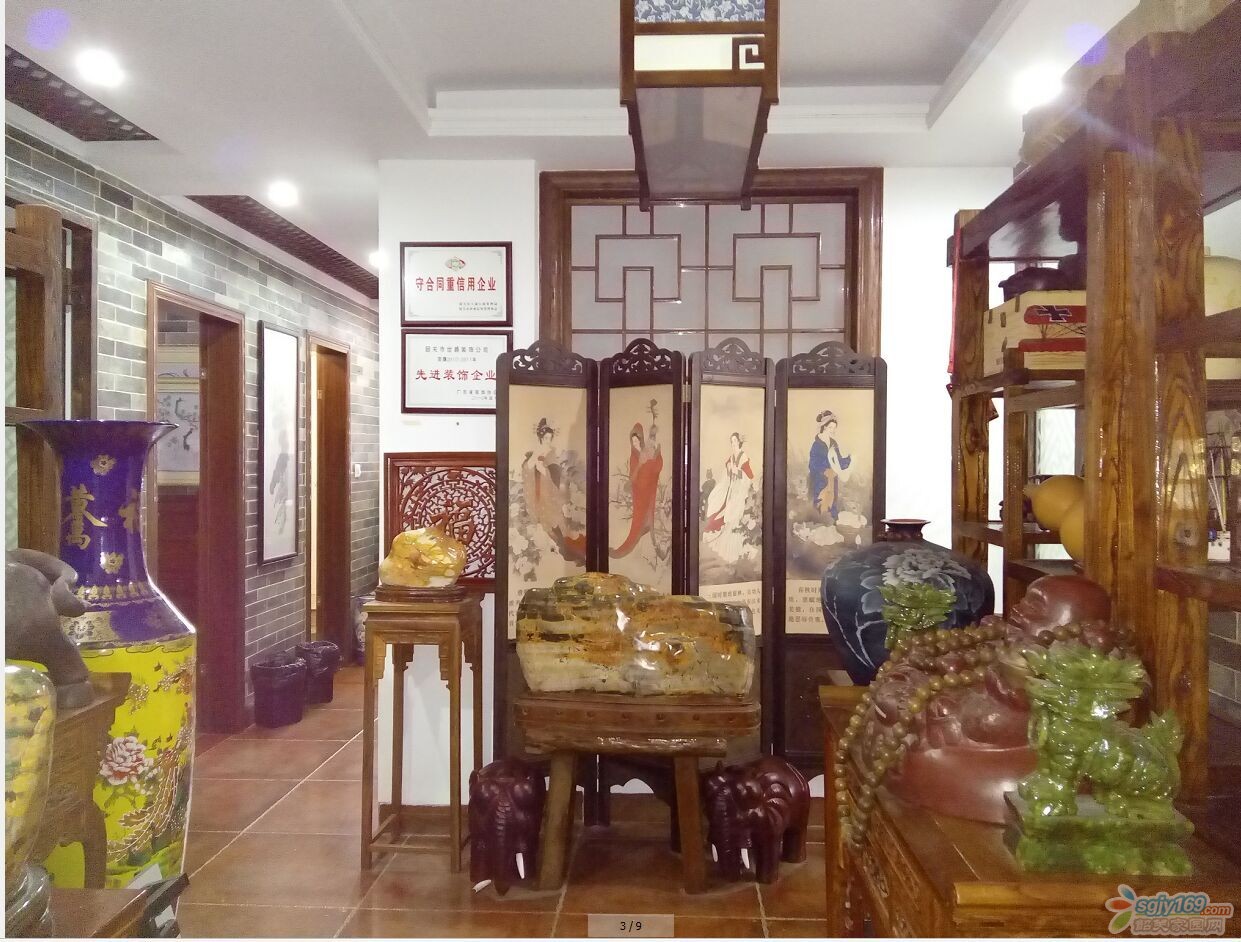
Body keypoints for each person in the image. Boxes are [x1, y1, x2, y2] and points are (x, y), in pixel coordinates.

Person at [521, 418, 586, 562]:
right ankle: (563, 548)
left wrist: (544, 470)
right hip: (538, 487)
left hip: (550, 487)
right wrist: (536, 466)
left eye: (550, 438)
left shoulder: (551, 451)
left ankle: (568, 548)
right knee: (546, 521)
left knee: (556, 518)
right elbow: (527, 468)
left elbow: (554, 471)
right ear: (541, 437)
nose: (548, 441)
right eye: (546, 438)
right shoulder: (536, 451)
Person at [612, 405, 664, 559]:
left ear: (641, 439)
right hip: (640, 492)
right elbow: (633, 478)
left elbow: (655, 467)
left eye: (637, 440)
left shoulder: (646, 451)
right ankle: (631, 545)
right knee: (638, 521)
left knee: (651, 517)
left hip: (649, 489)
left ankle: (655, 545)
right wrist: (641, 464)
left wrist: (657, 454)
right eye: (633, 441)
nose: (635, 443)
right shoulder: (634, 457)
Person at [703, 432, 755, 562]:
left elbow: (749, 476)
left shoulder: (743, 456)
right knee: (723, 510)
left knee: (734, 515)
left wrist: (737, 471)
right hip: (731, 489)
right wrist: (729, 467)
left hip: (740, 491)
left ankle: (737, 546)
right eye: (731, 442)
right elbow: (727, 467)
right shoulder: (732, 457)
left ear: (739, 442)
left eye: (735, 441)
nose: (733, 444)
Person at [808, 410, 851, 520]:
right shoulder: (816, 444)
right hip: (820, 479)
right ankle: (820, 521)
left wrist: (849, 460)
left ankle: (832, 521)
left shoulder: (833, 443)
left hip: (833, 478)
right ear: (824, 426)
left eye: (834, 428)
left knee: (832, 503)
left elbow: (838, 461)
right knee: (820, 504)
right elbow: (813, 464)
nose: (833, 430)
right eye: (831, 427)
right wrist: (824, 471)